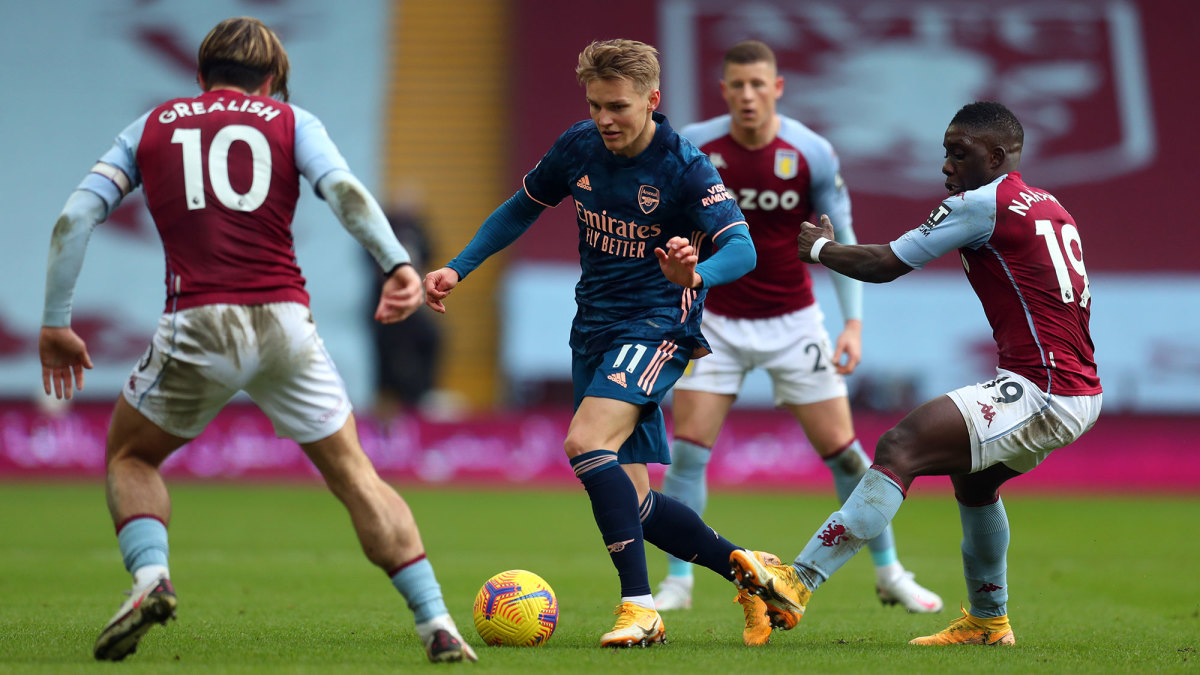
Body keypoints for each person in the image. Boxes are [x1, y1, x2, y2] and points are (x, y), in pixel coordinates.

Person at [38, 17, 476, 664]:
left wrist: (55, 322)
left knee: (131, 455)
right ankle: (436, 620)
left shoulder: (153, 125)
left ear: (199, 75)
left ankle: (152, 577)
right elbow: (346, 192)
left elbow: (76, 214)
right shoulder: (291, 121)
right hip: (284, 320)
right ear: (271, 79)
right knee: (357, 476)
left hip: (198, 321)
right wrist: (398, 264)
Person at [425, 39, 783, 648]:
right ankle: (751, 573)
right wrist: (459, 267)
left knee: (586, 444)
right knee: (635, 502)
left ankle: (640, 608)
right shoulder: (579, 146)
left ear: (653, 100)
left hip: (658, 326)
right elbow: (521, 208)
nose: (604, 119)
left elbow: (743, 248)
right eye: (595, 105)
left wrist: (694, 275)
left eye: (617, 106)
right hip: (593, 327)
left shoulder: (685, 167)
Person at [728, 101, 1102, 646]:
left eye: (960, 154)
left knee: (900, 445)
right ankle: (987, 621)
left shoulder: (982, 204)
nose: (946, 167)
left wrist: (821, 248)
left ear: (996, 156)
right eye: (944, 154)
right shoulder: (1049, 204)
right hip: (1071, 387)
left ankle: (797, 580)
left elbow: (886, 264)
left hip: (1043, 388)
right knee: (976, 483)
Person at [654, 39, 942, 617]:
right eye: (737, 86)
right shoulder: (697, 148)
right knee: (687, 455)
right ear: (725, 91)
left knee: (848, 458)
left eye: (759, 85)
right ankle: (677, 583)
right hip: (717, 324)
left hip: (793, 324)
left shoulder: (811, 152)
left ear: (777, 88)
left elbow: (842, 234)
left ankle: (889, 572)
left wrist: (853, 325)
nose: (748, 96)